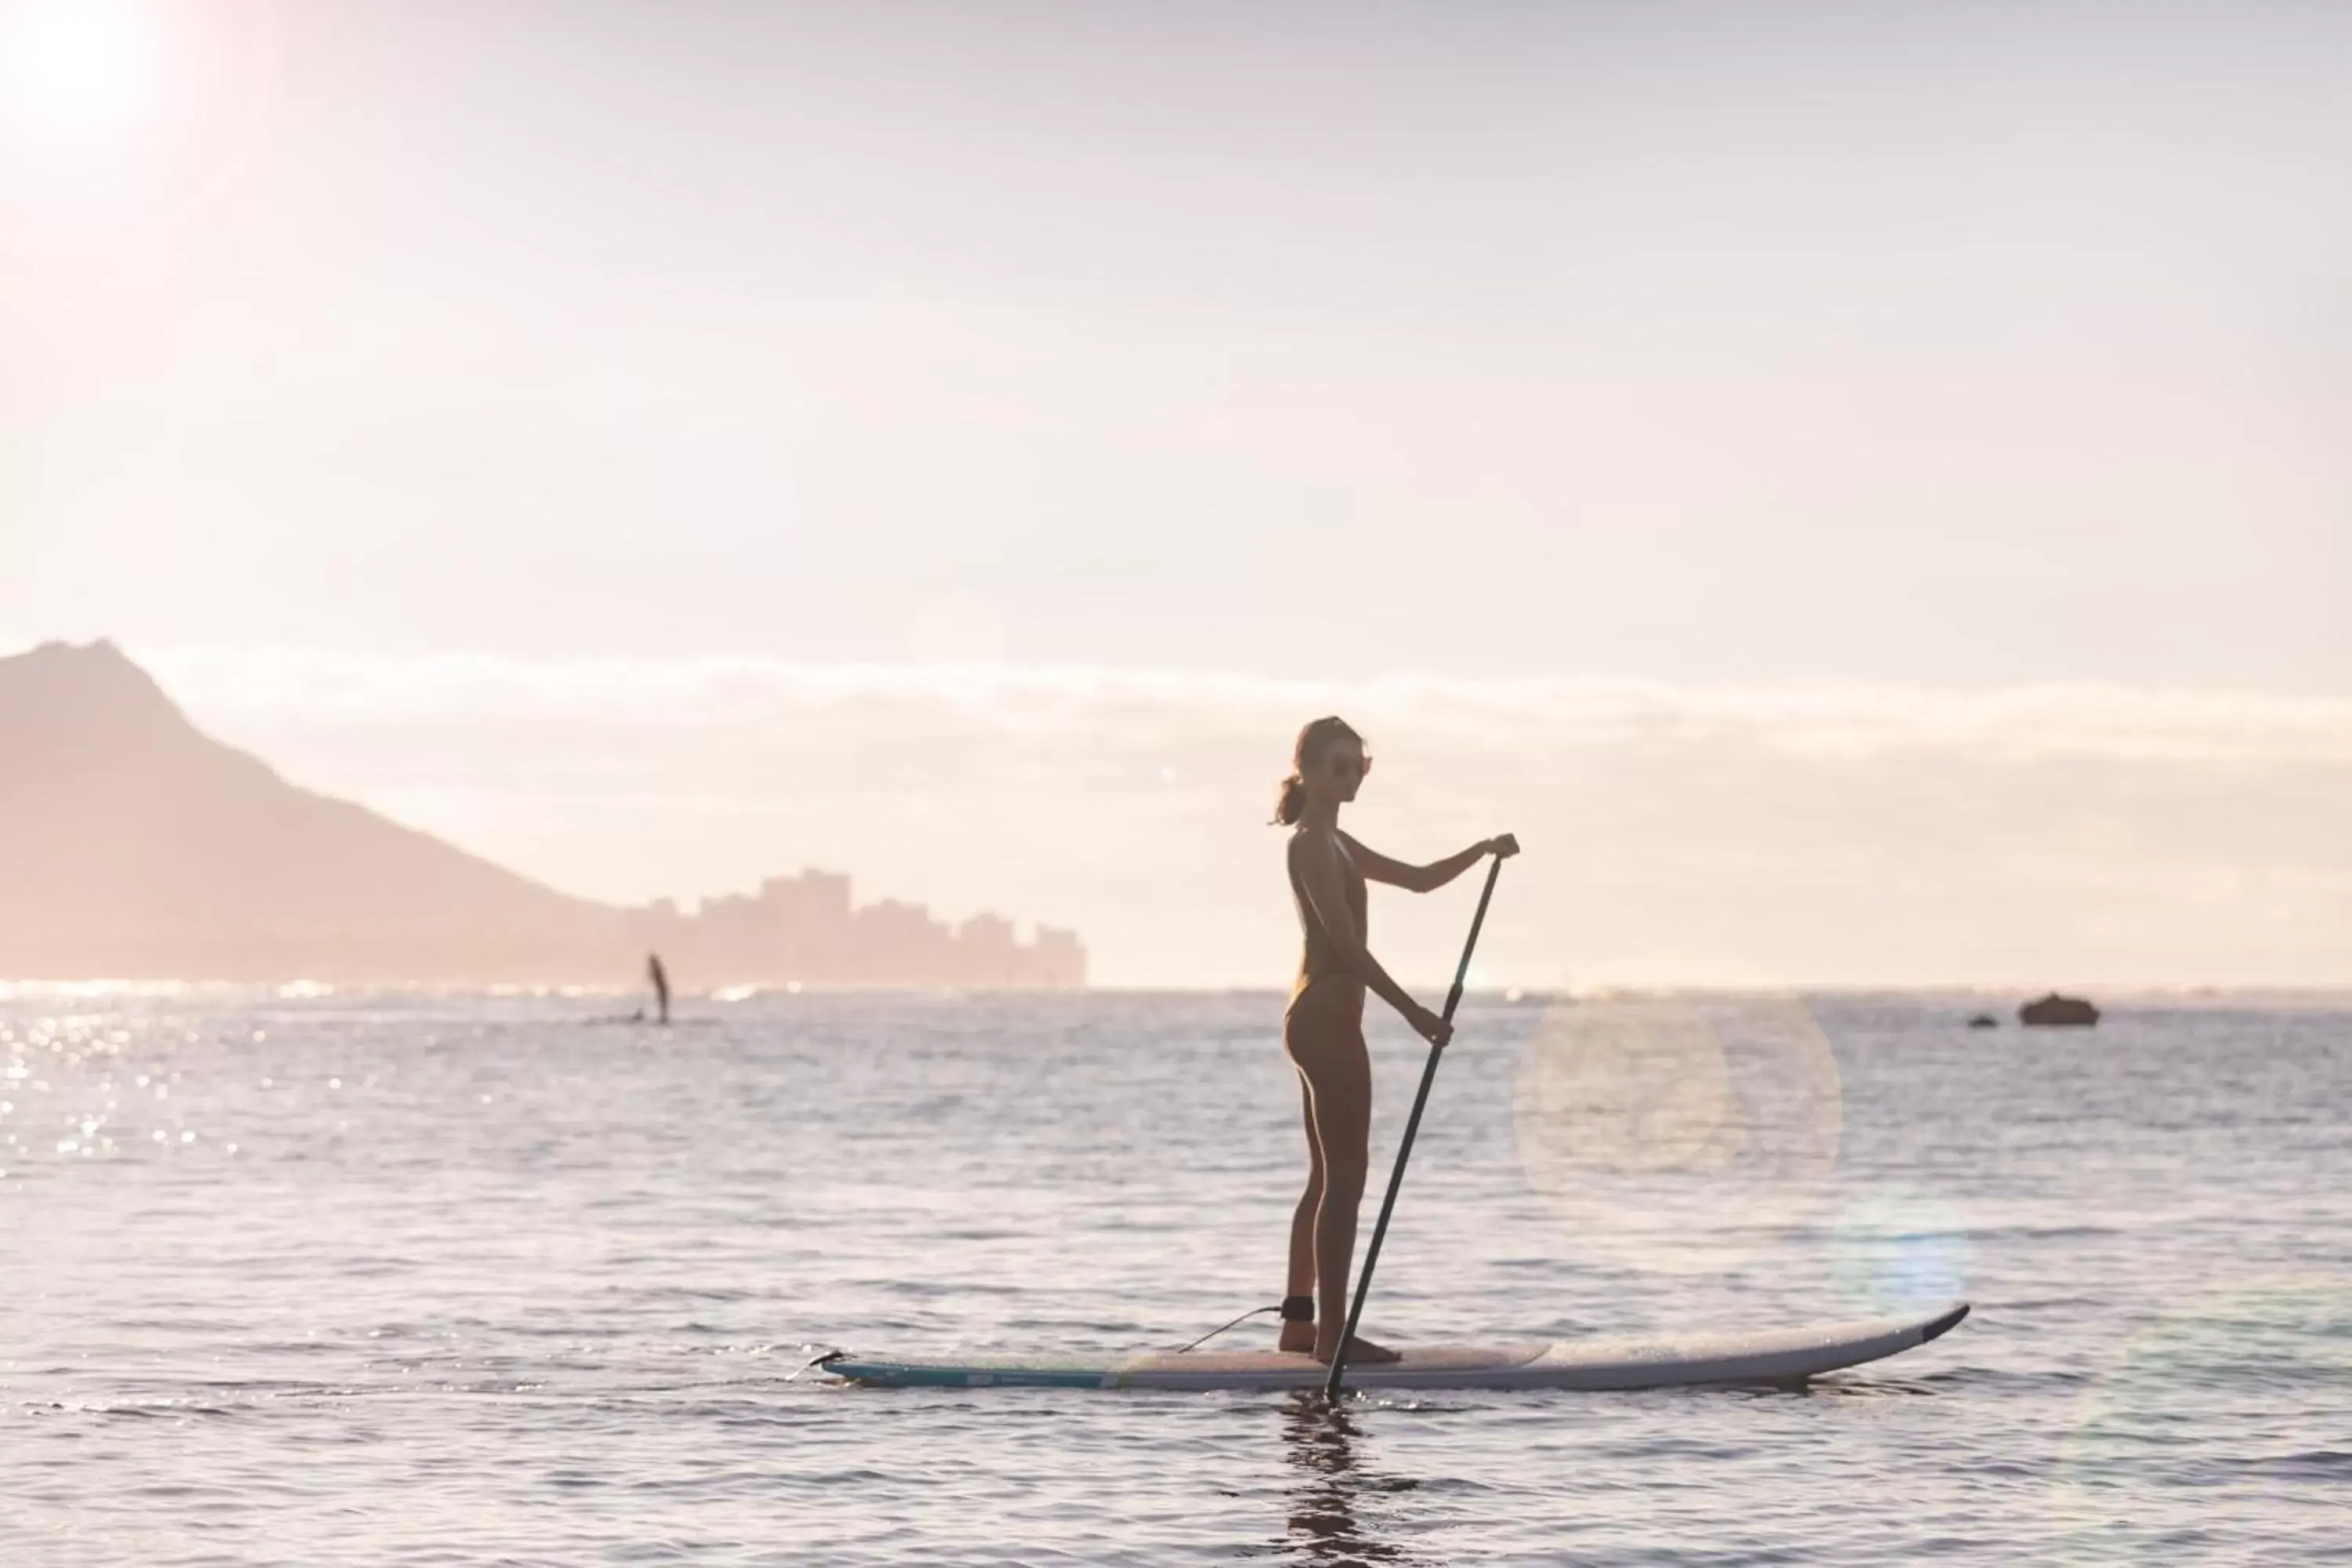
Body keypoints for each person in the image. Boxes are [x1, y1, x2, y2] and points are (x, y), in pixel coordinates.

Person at [1273, 715, 1516, 1363]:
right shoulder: (1311, 846)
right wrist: (1414, 1014)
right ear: (1307, 769)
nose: (1349, 777)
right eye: (1336, 767)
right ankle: (1332, 1338)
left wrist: (1483, 850)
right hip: (1326, 1020)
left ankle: (1300, 1326)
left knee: (1326, 1176)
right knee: (1347, 1180)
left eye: (1357, 767)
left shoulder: (1339, 842)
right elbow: (1347, 949)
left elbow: (1418, 879)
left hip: (1318, 1018)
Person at [647, 952, 671, 1025]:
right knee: (663, 1004)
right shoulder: (656, 968)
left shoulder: (656, 968)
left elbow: (657, 978)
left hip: (662, 989)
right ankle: (663, 1017)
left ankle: (663, 1018)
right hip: (662, 989)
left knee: (663, 1004)